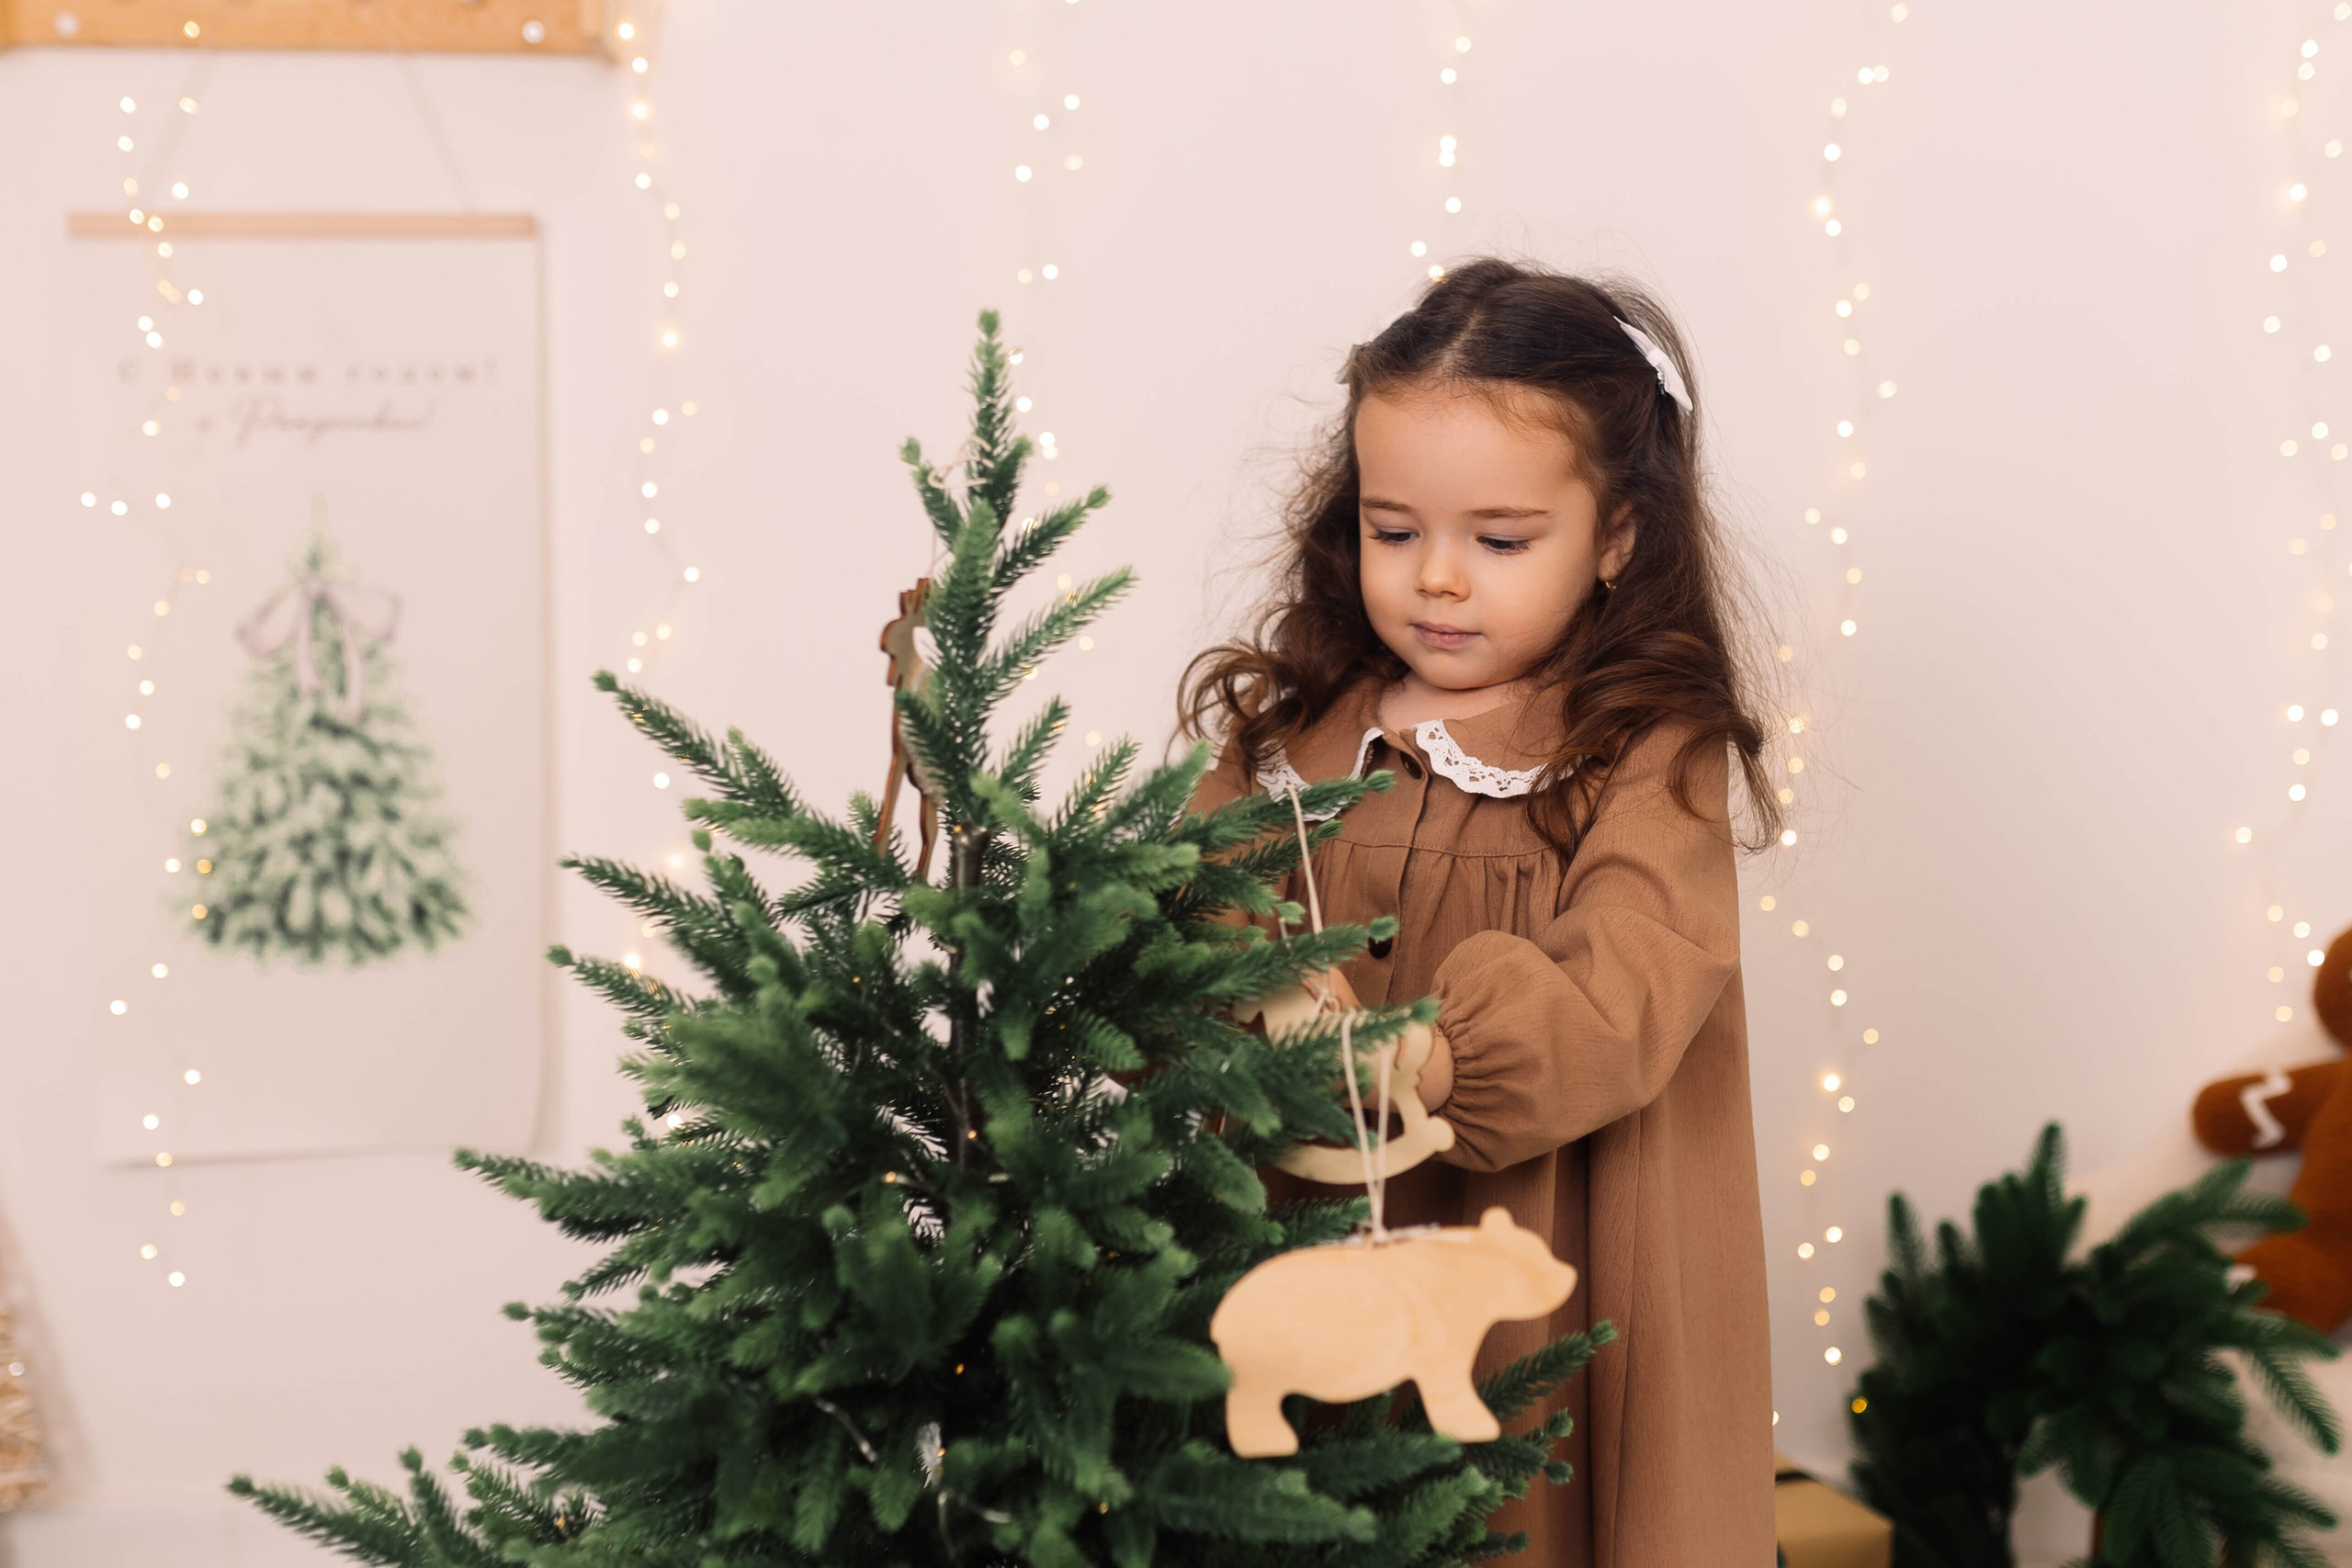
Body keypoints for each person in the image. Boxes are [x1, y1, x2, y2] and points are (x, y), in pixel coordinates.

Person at [1179, 256, 1781, 1566]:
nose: (1437, 579)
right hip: (1309, 1223)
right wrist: (1252, 982)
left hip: (1544, 1219)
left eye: (1499, 542)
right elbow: (1189, 892)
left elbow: (1633, 973)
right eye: (1394, 532)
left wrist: (1442, 1052)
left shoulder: (1639, 752)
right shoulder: (1298, 732)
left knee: (1508, 1499)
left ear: (1617, 535)